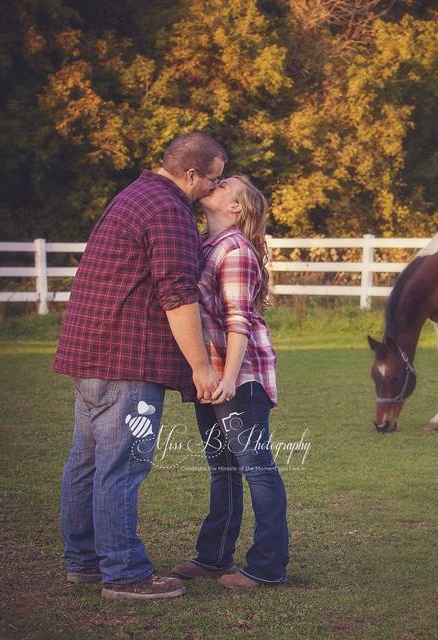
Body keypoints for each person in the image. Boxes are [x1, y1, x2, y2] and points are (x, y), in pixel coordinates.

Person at [53, 133, 226, 600]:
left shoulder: (135, 195)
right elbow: (177, 294)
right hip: (126, 359)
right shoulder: (168, 210)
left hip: (92, 352)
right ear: (191, 174)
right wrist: (201, 367)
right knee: (122, 466)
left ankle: (85, 561)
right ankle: (125, 573)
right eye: (213, 180)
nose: (213, 190)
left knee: (86, 463)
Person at [171, 175, 290, 589]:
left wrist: (228, 379)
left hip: (239, 377)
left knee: (257, 469)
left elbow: (239, 322)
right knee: (222, 467)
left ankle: (267, 567)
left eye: (224, 185)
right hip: (215, 373)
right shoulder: (208, 244)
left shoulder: (235, 250)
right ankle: (214, 557)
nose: (214, 185)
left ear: (236, 207)